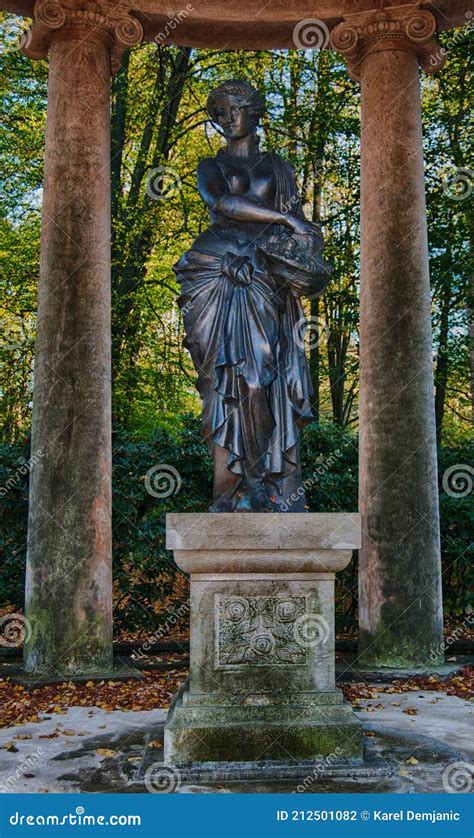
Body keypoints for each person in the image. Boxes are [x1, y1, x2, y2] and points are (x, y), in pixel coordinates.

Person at [174, 79, 328, 512]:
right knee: (219, 383)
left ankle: (263, 480)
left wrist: (296, 236)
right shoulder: (211, 165)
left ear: (254, 112)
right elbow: (220, 204)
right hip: (213, 272)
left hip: (263, 277)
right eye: (218, 113)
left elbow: (298, 236)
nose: (225, 120)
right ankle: (232, 486)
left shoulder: (279, 167)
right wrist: (283, 219)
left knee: (261, 378)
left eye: (233, 109)